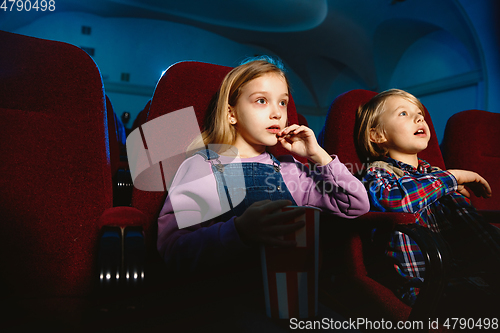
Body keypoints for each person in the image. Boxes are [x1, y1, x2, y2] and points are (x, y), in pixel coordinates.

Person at [157, 57, 370, 278]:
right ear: (231, 114)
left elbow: (355, 205)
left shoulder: (291, 170)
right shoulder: (203, 167)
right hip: (225, 298)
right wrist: (239, 231)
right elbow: (173, 249)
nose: (277, 113)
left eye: (283, 102)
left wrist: (319, 155)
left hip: (290, 292)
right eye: (261, 100)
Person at [357, 88, 500, 314]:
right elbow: (395, 200)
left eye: (419, 113)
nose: (419, 117)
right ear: (377, 135)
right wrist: (453, 177)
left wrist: (452, 192)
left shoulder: (434, 174)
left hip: (478, 270)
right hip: (429, 284)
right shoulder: (378, 172)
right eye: (403, 113)